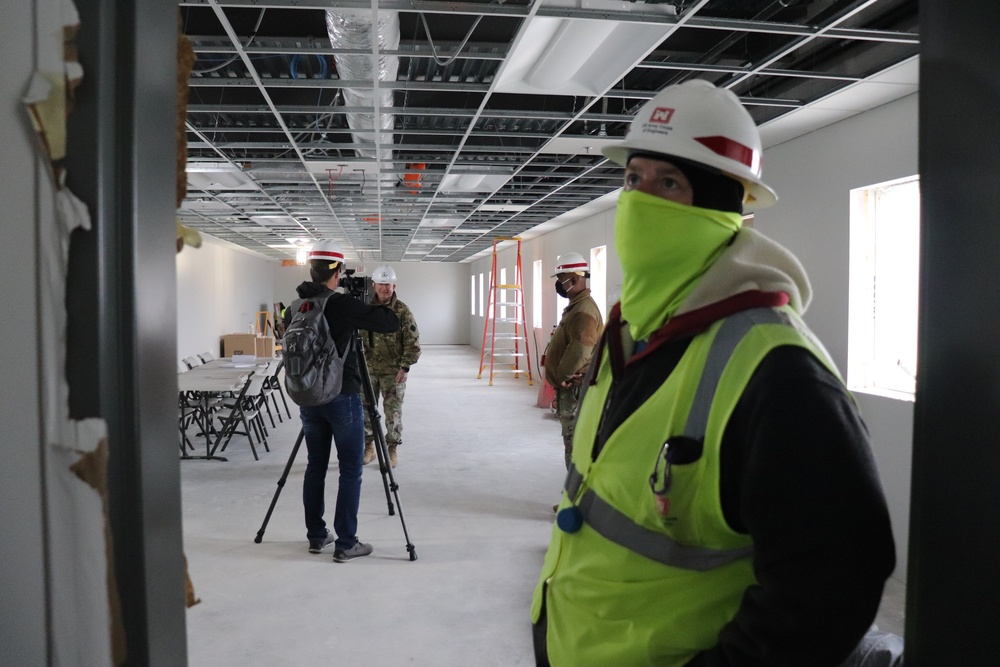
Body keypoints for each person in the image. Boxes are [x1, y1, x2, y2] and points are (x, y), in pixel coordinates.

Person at [531, 80, 899, 666]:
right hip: (576, 639)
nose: (640, 200)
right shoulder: (630, 331)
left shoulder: (780, 375)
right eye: (633, 179)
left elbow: (830, 590)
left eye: (669, 183)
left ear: (724, 205)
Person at [286, 240, 399, 562]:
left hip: (309, 397)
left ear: (312, 269)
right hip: (342, 394)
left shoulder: (296, 305)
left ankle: (317, 535)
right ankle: (347, 542)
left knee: (315, 466)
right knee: (350, 469)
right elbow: (388, 323)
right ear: (336, 271)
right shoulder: (340, 304)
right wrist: (366, 302)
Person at [545, 253, 603, 470]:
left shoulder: (583, 312)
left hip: (573, 390)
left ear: (577, 278)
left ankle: (575, 497)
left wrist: (562, 376)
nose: (559, 284)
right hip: (572, 388)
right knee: (572, 439)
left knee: (574, 442)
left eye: (562, 279)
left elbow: (580, 350)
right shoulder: (577, 307)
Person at [361, 264, 421, 469]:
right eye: (381, 284)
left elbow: (413, 342)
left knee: (392, 413)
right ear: (374, 285)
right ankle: (368, 446)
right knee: (365, 410)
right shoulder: (365, 309)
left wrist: (405, 367)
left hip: (393, 373)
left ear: (394, 285)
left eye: (388, 285)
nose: (384, 289)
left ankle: (391, 449)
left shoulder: (402, 311)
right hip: (367, 370)